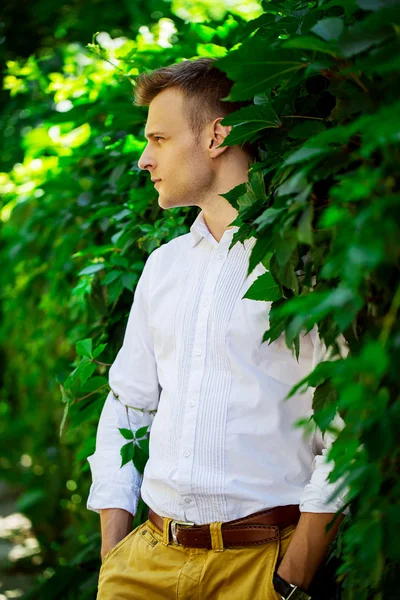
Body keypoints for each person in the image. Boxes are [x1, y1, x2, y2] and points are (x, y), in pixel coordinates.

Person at [86, 57, 348, 600]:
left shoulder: (305, 265)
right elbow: (129, 403)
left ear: (217, 135)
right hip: (146, 565)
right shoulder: (164, 264)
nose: (144, 159)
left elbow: (348, 429)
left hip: (260, 569)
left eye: (159, 138)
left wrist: (292, 578)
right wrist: (116, 552)